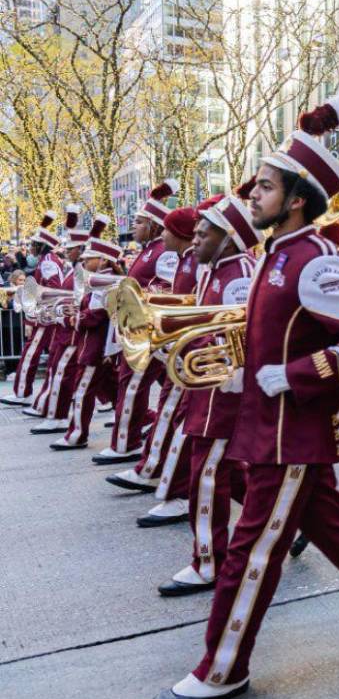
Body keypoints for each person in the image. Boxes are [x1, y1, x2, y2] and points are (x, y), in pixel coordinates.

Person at [148, 92, 339, 699]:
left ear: (297, 199)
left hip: (292, 435)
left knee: (252, 552)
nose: (252, 193)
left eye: (266, 186)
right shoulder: (272, 257)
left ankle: (220, 669)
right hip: (269, 427)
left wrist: (297, 374)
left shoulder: (312, 261)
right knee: (327, 523)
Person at [157, 194, 260, 597]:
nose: (194, 239)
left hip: (226, 387)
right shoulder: (215, 268)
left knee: (207, 474)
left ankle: (209, 561)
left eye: (204, 232)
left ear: (229, 236)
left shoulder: (238, 273)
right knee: (229, 472)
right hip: (208, 387)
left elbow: (240, 336)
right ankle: (291, 523)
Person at [106, 204, 204, 526]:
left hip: (194, 354)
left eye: (165, 228)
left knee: (188, 427)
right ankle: (158, 474)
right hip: (182, 348)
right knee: (178, 420)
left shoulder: (181, 257)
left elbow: (196, 304)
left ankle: (161, 478)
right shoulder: (182, 257)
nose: (162, 233)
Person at [94, 180, 180, 464]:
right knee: (143, 386)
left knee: (132, 385)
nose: (134, 226)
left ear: (155, 225)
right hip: (139, 328)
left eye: (140, 222)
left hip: (151, 330)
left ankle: (125, 443)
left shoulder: (162, 251)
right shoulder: (147, 250)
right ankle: (149, 432)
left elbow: (166, 288)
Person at [52, 217, 121, 451]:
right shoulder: (100, 280)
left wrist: (73, 318)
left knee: (83, 392)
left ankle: (77, 434)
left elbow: (96, 315)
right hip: (96, 346)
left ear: (103, 261)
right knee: (114, 391)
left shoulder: (107, 281)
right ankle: (146, 419)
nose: (83, 260)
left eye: (88, 258)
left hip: (95, 347)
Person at [29, 206, 87, 433]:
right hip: (65, 328)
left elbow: (80, 300)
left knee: (63, 372)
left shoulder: (80, 271)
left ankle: (59, 417)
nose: (66, 251)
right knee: (61, 370)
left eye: (71, 248)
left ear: (81, 249)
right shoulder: (73, 269)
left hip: (73, 330)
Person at [1, 211, 64, 407]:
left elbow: (52, 290)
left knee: (31, 354)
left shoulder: (47, 264)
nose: (30, 248)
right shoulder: (48, 262)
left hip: (45, 316)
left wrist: (34, 317)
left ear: (41, 246)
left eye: (33, 244)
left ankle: (23, 393)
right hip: (47, 315)